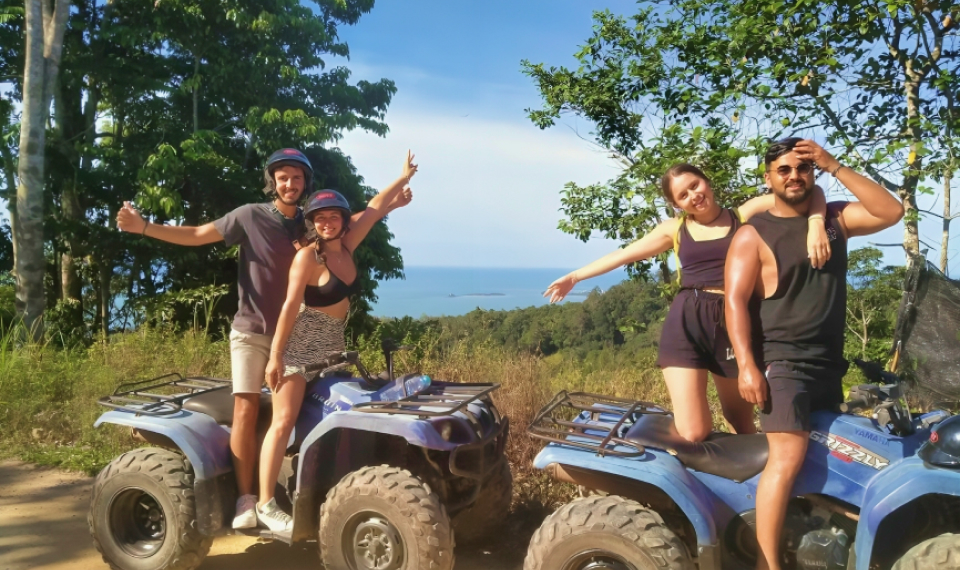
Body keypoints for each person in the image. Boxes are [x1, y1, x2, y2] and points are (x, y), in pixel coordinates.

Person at [115, 148, 412, 530]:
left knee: (319, 407)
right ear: (273, 181)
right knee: (247, 409)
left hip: (306, 335)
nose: (290, 184)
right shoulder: (250, 215)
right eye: (283, 177)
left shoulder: (310, 226)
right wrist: (145, 227)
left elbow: (363, 214)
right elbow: (197, 234)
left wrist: (400, 184)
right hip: (254, 330)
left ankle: (308, 484)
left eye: (298, 178)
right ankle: (248, 500)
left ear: (306, 184)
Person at [544, 164, 831, 442]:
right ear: (677, 204)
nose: (693, 195)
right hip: (686, 322)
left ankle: (741, 485)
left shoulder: (744, 215)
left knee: (741, 422)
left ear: (706, 182)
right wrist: (576, 276)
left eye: (695, 185)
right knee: (694, 432)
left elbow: (810, 193)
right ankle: (648, 444)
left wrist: (816, 223)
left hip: (733, 323)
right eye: (683, 195)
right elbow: (625, 254)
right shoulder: (675, 229)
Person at [724, 138, 903, 570]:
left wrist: (834, 164)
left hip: (827, 364)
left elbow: (890, 211)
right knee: (785, 459)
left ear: (812, 175)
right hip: (783, 365)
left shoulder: (834, 221)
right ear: (768, 178)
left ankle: (818, 544)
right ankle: (768, 565)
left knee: (825, 456)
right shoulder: (753, 233)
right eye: (782, 170)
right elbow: (733, 301)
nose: (793, 176)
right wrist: (747, 366)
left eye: (802, 169)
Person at [253, 151, 418, 532]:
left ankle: (329, 485)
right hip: (301, 345)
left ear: (343, 222)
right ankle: (264, 503)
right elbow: (290, 307)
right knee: (283, 421)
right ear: (311, 223)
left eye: (334, 217)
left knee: (338, 413)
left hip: (332, 348)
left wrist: (401, 178)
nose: (328, 223)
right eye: (320, 218)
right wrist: (276, 357)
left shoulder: (346, 245)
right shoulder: (307, 259)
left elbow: (375, 208)